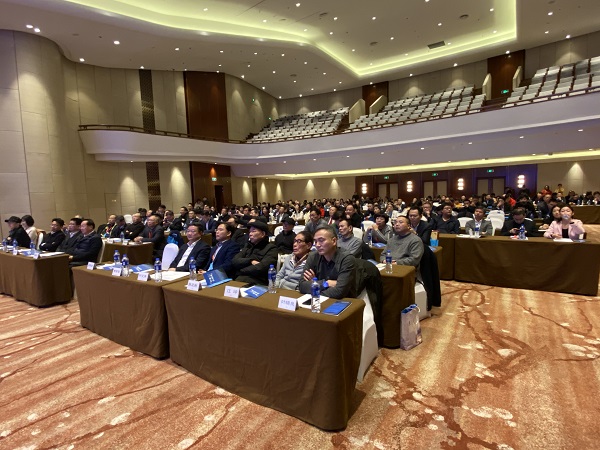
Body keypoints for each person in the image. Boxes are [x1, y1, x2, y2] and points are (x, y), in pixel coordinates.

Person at [299, 225, 357, 299]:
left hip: (344, 301)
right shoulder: (313, 256)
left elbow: (339, 292)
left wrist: (315, 285)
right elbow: (302, 286)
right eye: (315, 241)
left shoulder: (347, 259)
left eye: (321, 240)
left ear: (334, 241)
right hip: (318, 301)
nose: (317, 245)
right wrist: (326, 283)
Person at [231, 221, 278, 285]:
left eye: (253, 231)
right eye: (250, 231)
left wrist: (240, 271)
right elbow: (235, 260)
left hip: (258, 281)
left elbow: (261, 268)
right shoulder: (248, 246)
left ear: (263, 234)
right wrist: (250, 261)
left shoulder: (271, 248)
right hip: (240, 278)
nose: (250, 234)